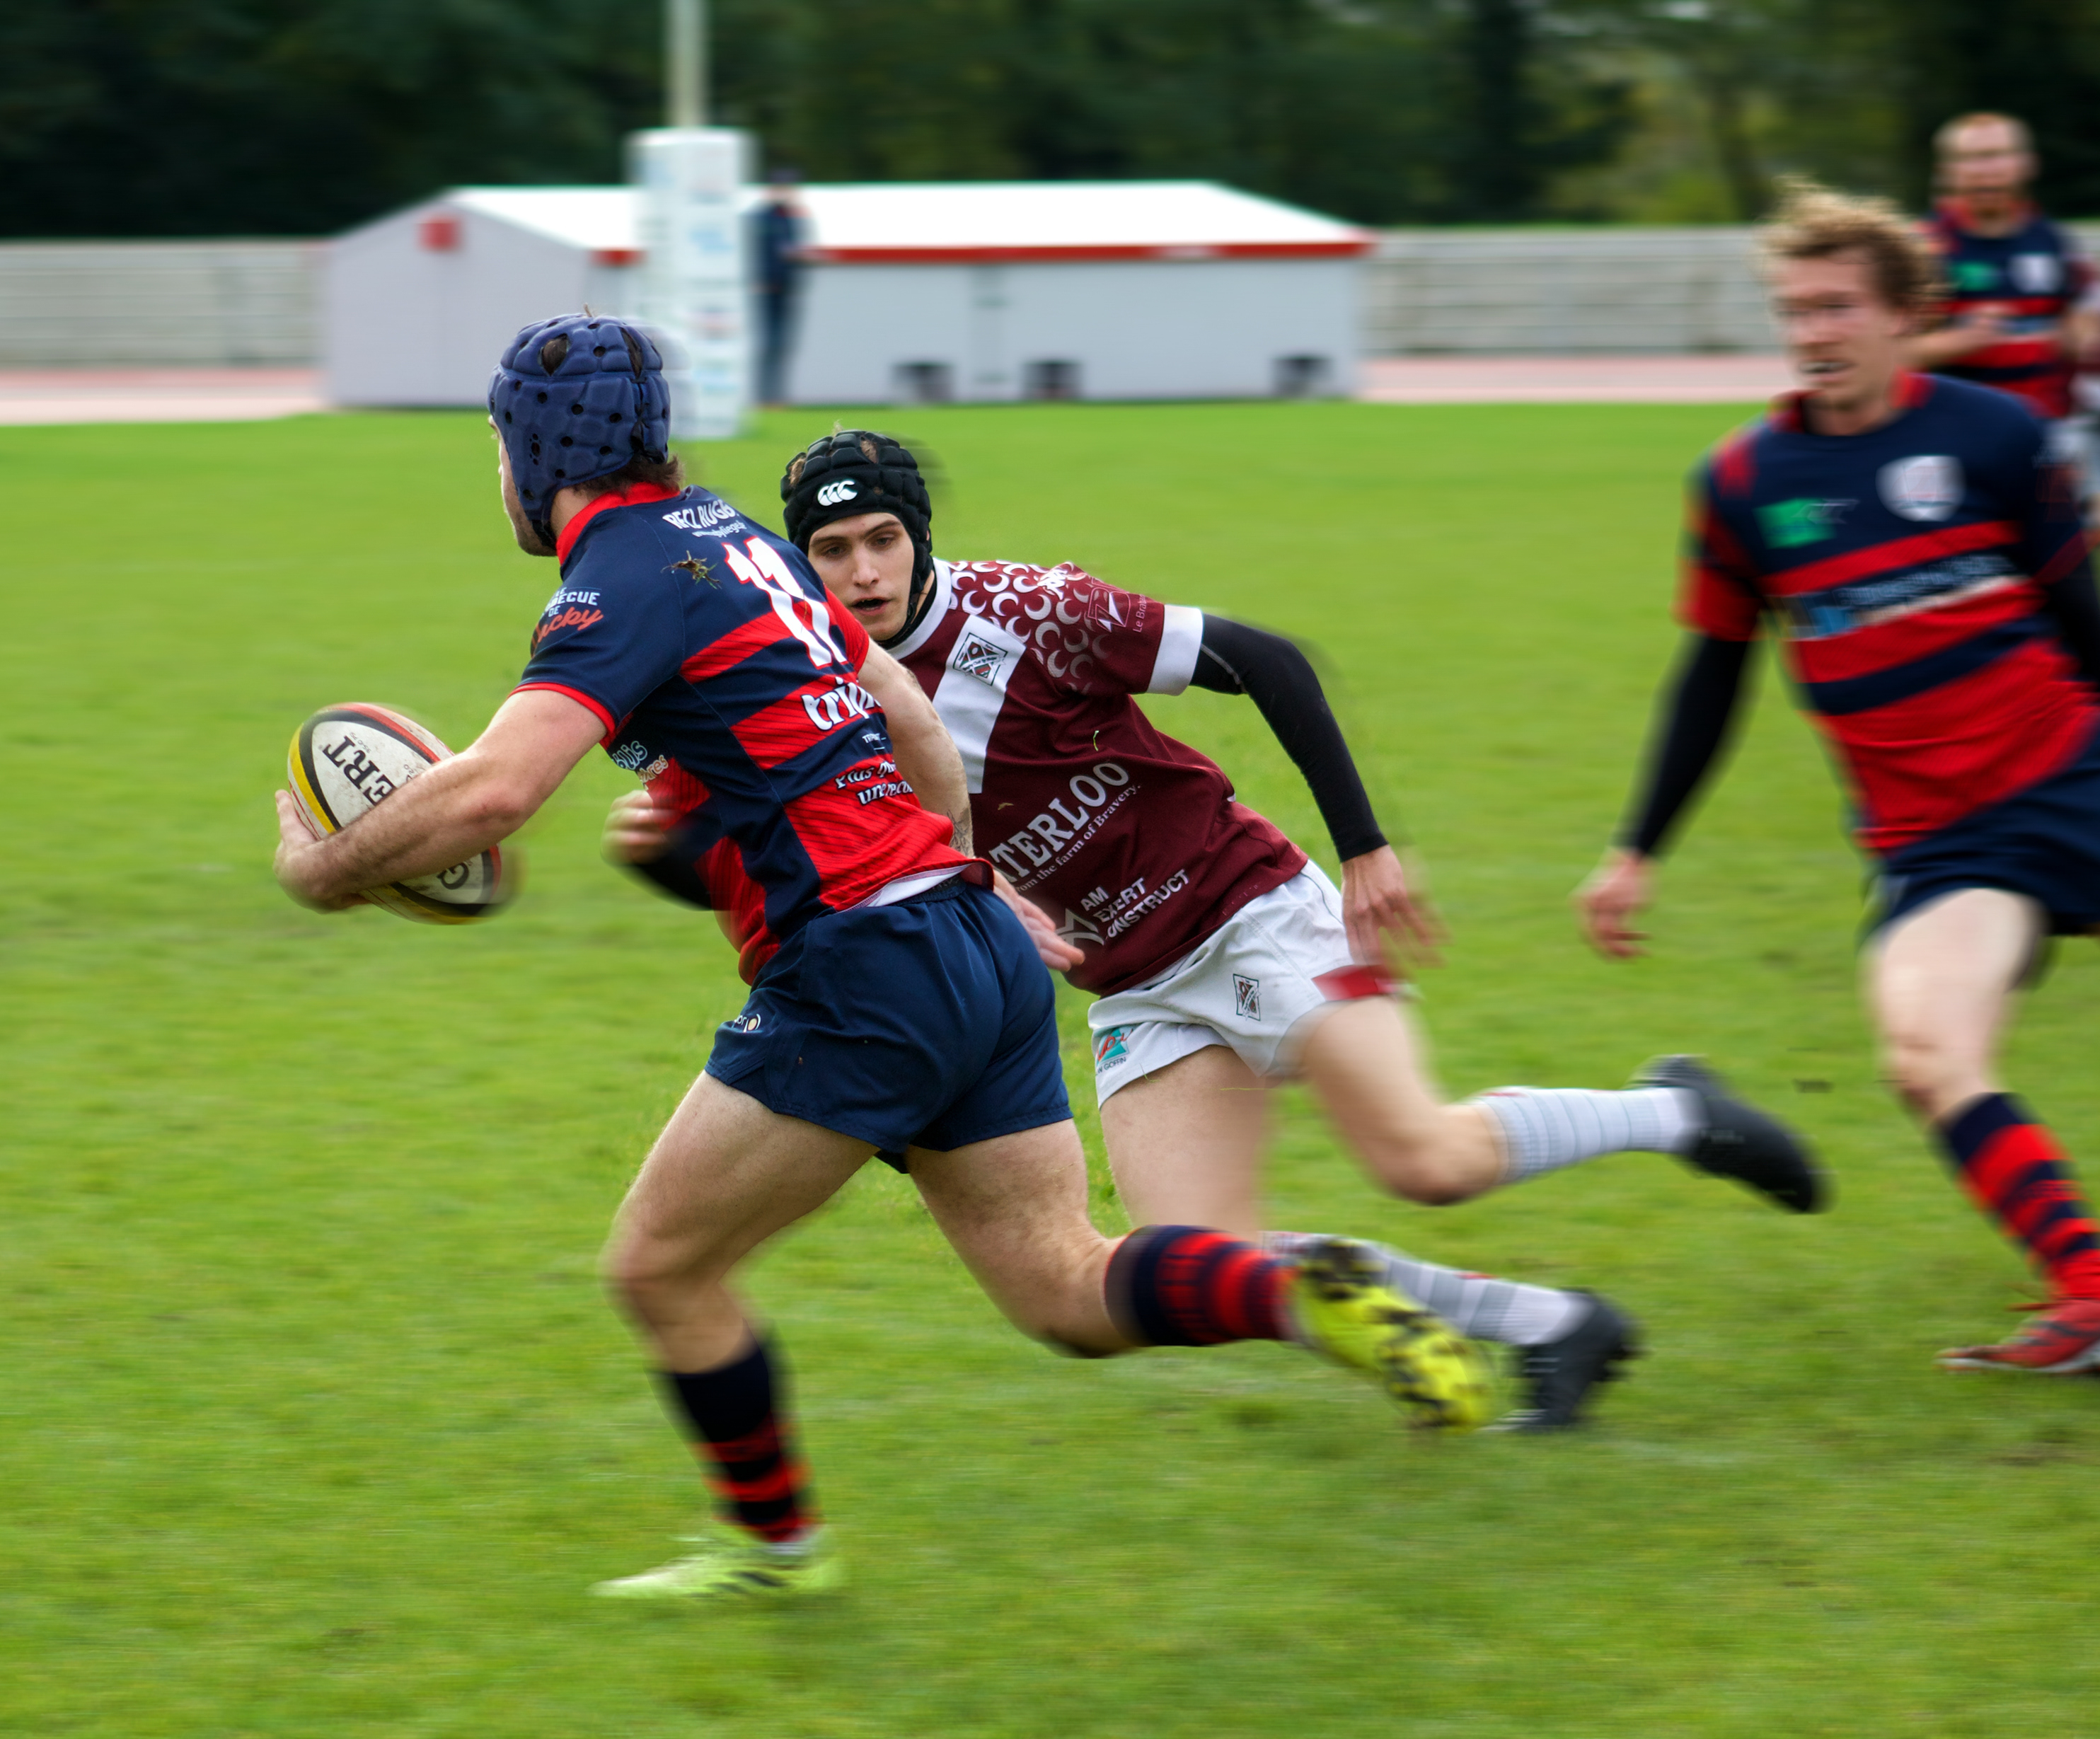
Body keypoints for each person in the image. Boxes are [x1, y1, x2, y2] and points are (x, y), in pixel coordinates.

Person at [272, 314, 1495, 1605]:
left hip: (861, 967)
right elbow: (911, 715)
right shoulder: (738, 539)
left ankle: (777, 1555)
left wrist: (323, 871)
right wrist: (958, 869)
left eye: (496, 449)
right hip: (968, 939)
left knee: (659, 1269)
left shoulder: (618, 577)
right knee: (1064, 1289)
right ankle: (1291, 1290)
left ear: (532, 455)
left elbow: (492, 794)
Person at [610, 429, 1824, 1429]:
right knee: (1198, 1256)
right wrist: (674, 854)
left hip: (1249, 911)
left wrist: (1366, 848)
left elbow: (1266, 659)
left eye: (884, 539)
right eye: (831, 551)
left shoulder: (1032, 613)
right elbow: (806, 867)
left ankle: (1677, 1110)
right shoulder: (823, 685)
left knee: (1425, 1160)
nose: (864, 571)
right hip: (1135, 986)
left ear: (920, 539)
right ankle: (1553, 1325)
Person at [1579, 182, 2100, 1375]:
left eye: (1837, 307)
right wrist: (1636, 850)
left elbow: (2080, 614)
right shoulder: (1742, 484)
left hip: (2072, 773)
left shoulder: (1996, 436)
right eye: (1794, 310)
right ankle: (2088, 1290)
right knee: (1924, 1052)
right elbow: (1712, 676)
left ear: (1905, 314)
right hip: (1946, 846)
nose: (1812, 332)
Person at [1913, 113, 2096, 428]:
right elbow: (1886, 354)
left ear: (2028, 164)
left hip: (2047, 427)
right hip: (1958, 430)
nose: (1985, 170)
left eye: (1997, 155)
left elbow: (2077, 321)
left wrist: (2081, 335)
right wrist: (1955, 342)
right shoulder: (1921, 248)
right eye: (1969, 158)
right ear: (1945, 171)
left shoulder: (2052, 239)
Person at [748, 173, 812, 406]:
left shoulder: (788, 217)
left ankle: (775, 396)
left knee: (780, 345)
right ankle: (765, 397)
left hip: (785, 288)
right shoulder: (764, 218)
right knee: (769, 344)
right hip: (767, 289)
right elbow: (761, 252)